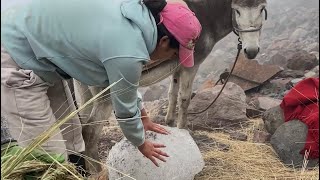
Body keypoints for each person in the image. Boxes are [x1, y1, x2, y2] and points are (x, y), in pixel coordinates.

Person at [1, 0, 202, 171]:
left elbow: (123, 86)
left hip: (41, 53)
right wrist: (141, 143)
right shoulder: (129, 49)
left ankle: (78, 171)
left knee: (71, 139)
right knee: (49, 159)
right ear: (164, 41)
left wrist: (143, 117)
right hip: (16, 51)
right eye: (174, 54)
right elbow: (123, 107)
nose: (171, 58)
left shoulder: (136, 17)